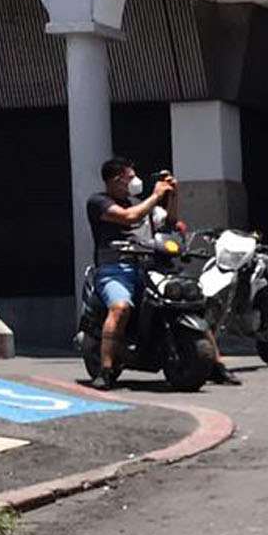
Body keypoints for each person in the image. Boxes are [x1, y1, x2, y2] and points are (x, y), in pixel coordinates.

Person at [88, 158, 178, 382]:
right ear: (116, 180)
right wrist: (155, 196)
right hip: (115, 269)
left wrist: (172, 195)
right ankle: (106, 370)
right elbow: (129, 217)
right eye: (130, 177)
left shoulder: (141, 204)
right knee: (120, 308)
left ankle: (215, 363)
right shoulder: (98, 201)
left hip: (148, 267)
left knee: (187, 297)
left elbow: (170, 222)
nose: (135, 181)